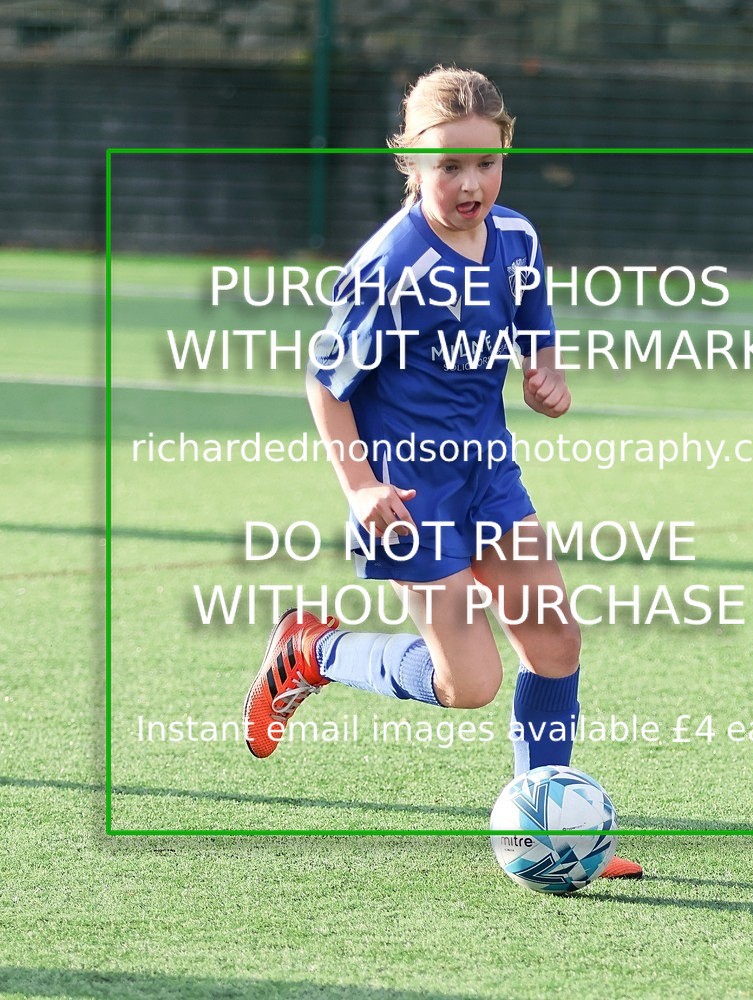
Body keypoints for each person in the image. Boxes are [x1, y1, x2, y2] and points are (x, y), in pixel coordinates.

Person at [243, 66, 642, 879]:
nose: (471, 184)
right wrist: (359, 486)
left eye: (486, 164)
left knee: (556, 642)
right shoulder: (390, 266)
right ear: (411, 164)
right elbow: (325, 383)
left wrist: (546, 372)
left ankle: (549, 827)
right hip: (411, 497)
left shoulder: (518, 239)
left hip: (489, 476)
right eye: (449, 166)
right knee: (469, 686)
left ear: (506, 154)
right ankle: (316, 650)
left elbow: (533, 320)